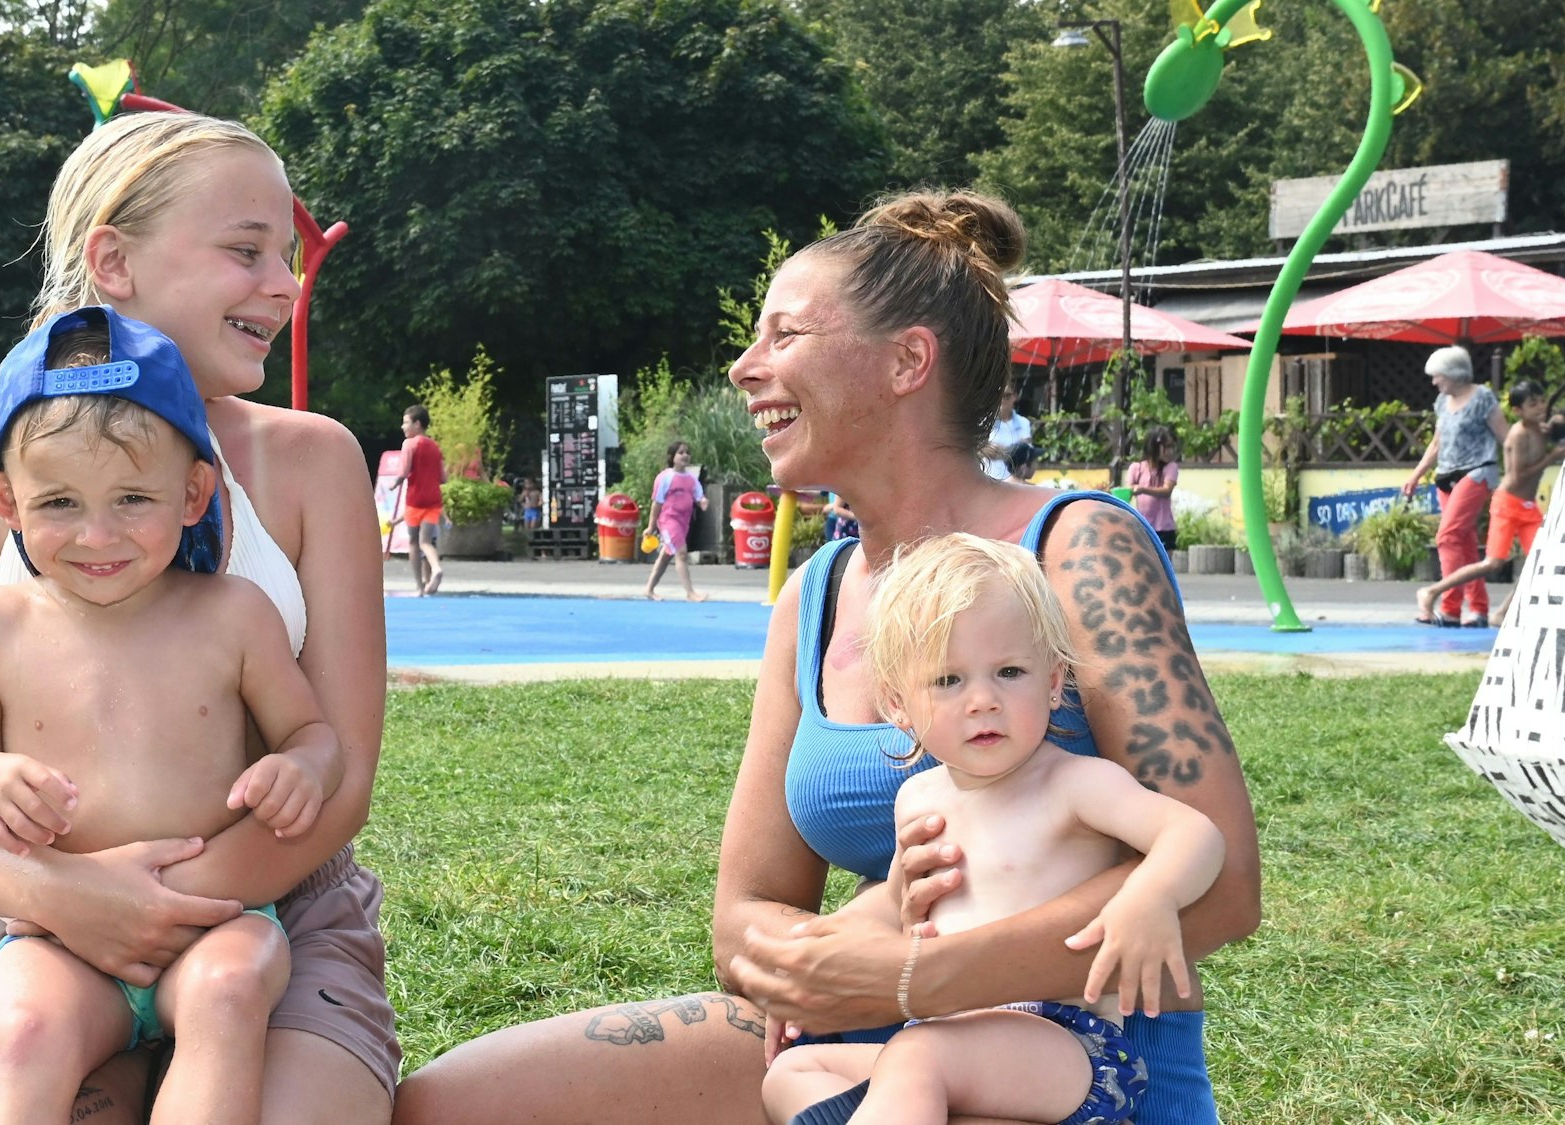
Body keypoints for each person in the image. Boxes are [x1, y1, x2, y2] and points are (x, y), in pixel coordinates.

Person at [393, 190, 1259, 1125]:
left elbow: (1224, 885)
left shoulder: (1076, 550)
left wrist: (909, 977)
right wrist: (818, 958)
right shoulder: (812, 597)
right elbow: (747, 911)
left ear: (905, 360)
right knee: (449, 1107)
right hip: (863, 1046)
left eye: (785, 333)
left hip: (1073, 1071)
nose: (743, 365)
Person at [0, 110, 395, 1125]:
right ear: (111, 258)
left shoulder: (313, 461)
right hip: (31, 925)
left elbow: (340, 774)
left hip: (277, 909)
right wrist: (71, 901)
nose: (286, 285)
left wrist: (168, 908)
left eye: (286, 257)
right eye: (246, 250)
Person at [0, 308, 346, 1124]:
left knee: (229, 996)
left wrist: (299, 767)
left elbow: (314, 732)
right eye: (58, 501)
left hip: (219, 921)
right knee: (21, 1029)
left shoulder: (233, 614)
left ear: (194, 491)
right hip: (62, 932)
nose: (98, 534)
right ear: (5, 499)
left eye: (132, 497)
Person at [760, 533, 1225, 1125]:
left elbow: (1195, 834)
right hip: (944, 1043)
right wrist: (812, 957)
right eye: (949, 681)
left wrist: (1151, 895)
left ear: (1053, 682)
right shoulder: (919, 799)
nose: (983, 700)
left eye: (1009, 671)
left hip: (1063, 1045)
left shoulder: (1076, 784)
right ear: (899, 705)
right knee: (795, 1071)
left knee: (916, 1059)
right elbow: (904, 902)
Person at [1415, 381, 1565, 629]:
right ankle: (1431, 591)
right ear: (1518, 411)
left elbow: (1561, 422)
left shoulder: (1541, 429)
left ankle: (1502, 612)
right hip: (1508, 504)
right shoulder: (1517, 435)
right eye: (1532, 404)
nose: (1540, 407)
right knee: (1493, 563)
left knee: (1540, 563)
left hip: (1529, 507)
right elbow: (1518, 476)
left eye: (1542, 401)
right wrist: (1552, 457)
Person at [1401, 345, 1508, 627]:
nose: (1435, 381)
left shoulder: (1482, 397)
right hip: (1446, 475)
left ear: (1454, 373)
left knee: (1446, 537)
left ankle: (1449, 608)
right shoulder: (1441, 402)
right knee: (1465, 542)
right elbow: (1437, 444)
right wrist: (1416, 475)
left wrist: (1514, 476)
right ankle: (1479, 609)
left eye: (1438, 376)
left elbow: (1505, 437)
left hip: (1477, 471)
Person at [642, 441, 711, 602]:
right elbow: (657, 503)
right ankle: (690, 593)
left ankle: (649, 589)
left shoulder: (691, 479)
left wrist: (702, 502)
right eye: (680, 452)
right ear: (672, 457)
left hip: (683, 523)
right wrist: (651, 526)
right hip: (668, 521)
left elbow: (698, 495)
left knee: (666, 555)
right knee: (681, 553)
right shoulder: (665, 477)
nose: (685, 455)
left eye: (687, 452)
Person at [395, 404, 446, 595]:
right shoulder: (435, 446)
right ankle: (436, 569)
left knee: (414, 543)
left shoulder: (409, 444)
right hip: (434, 499)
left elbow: (403, 471)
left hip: (415, 499)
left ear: (417, 424)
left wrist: (395, 483)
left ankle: (418, 586)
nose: (403, 427)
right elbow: (443, 477)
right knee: (427, 541)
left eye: (406, 422)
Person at [1128, 426, 1181, 551]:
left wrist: (1142, 489)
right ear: (1154, 447)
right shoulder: (1137, 468)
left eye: (1171, 447)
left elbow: (1166, 491)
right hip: (1143, 526)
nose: (1170, 451)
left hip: (1164, 528)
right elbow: (1128, 490)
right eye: (1166, 447)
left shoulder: (1171, 467)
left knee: (1164, 569)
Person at [981, 381, 1033, 480]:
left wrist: (998, 451)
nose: (1002, 399)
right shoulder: (984, 421)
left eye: (1007, 395)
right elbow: (976, 450)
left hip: (1015, 481)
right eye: (998, 395)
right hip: (989, 479)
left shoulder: (1023, 422)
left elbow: (1027, 451)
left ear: (1015, 396)